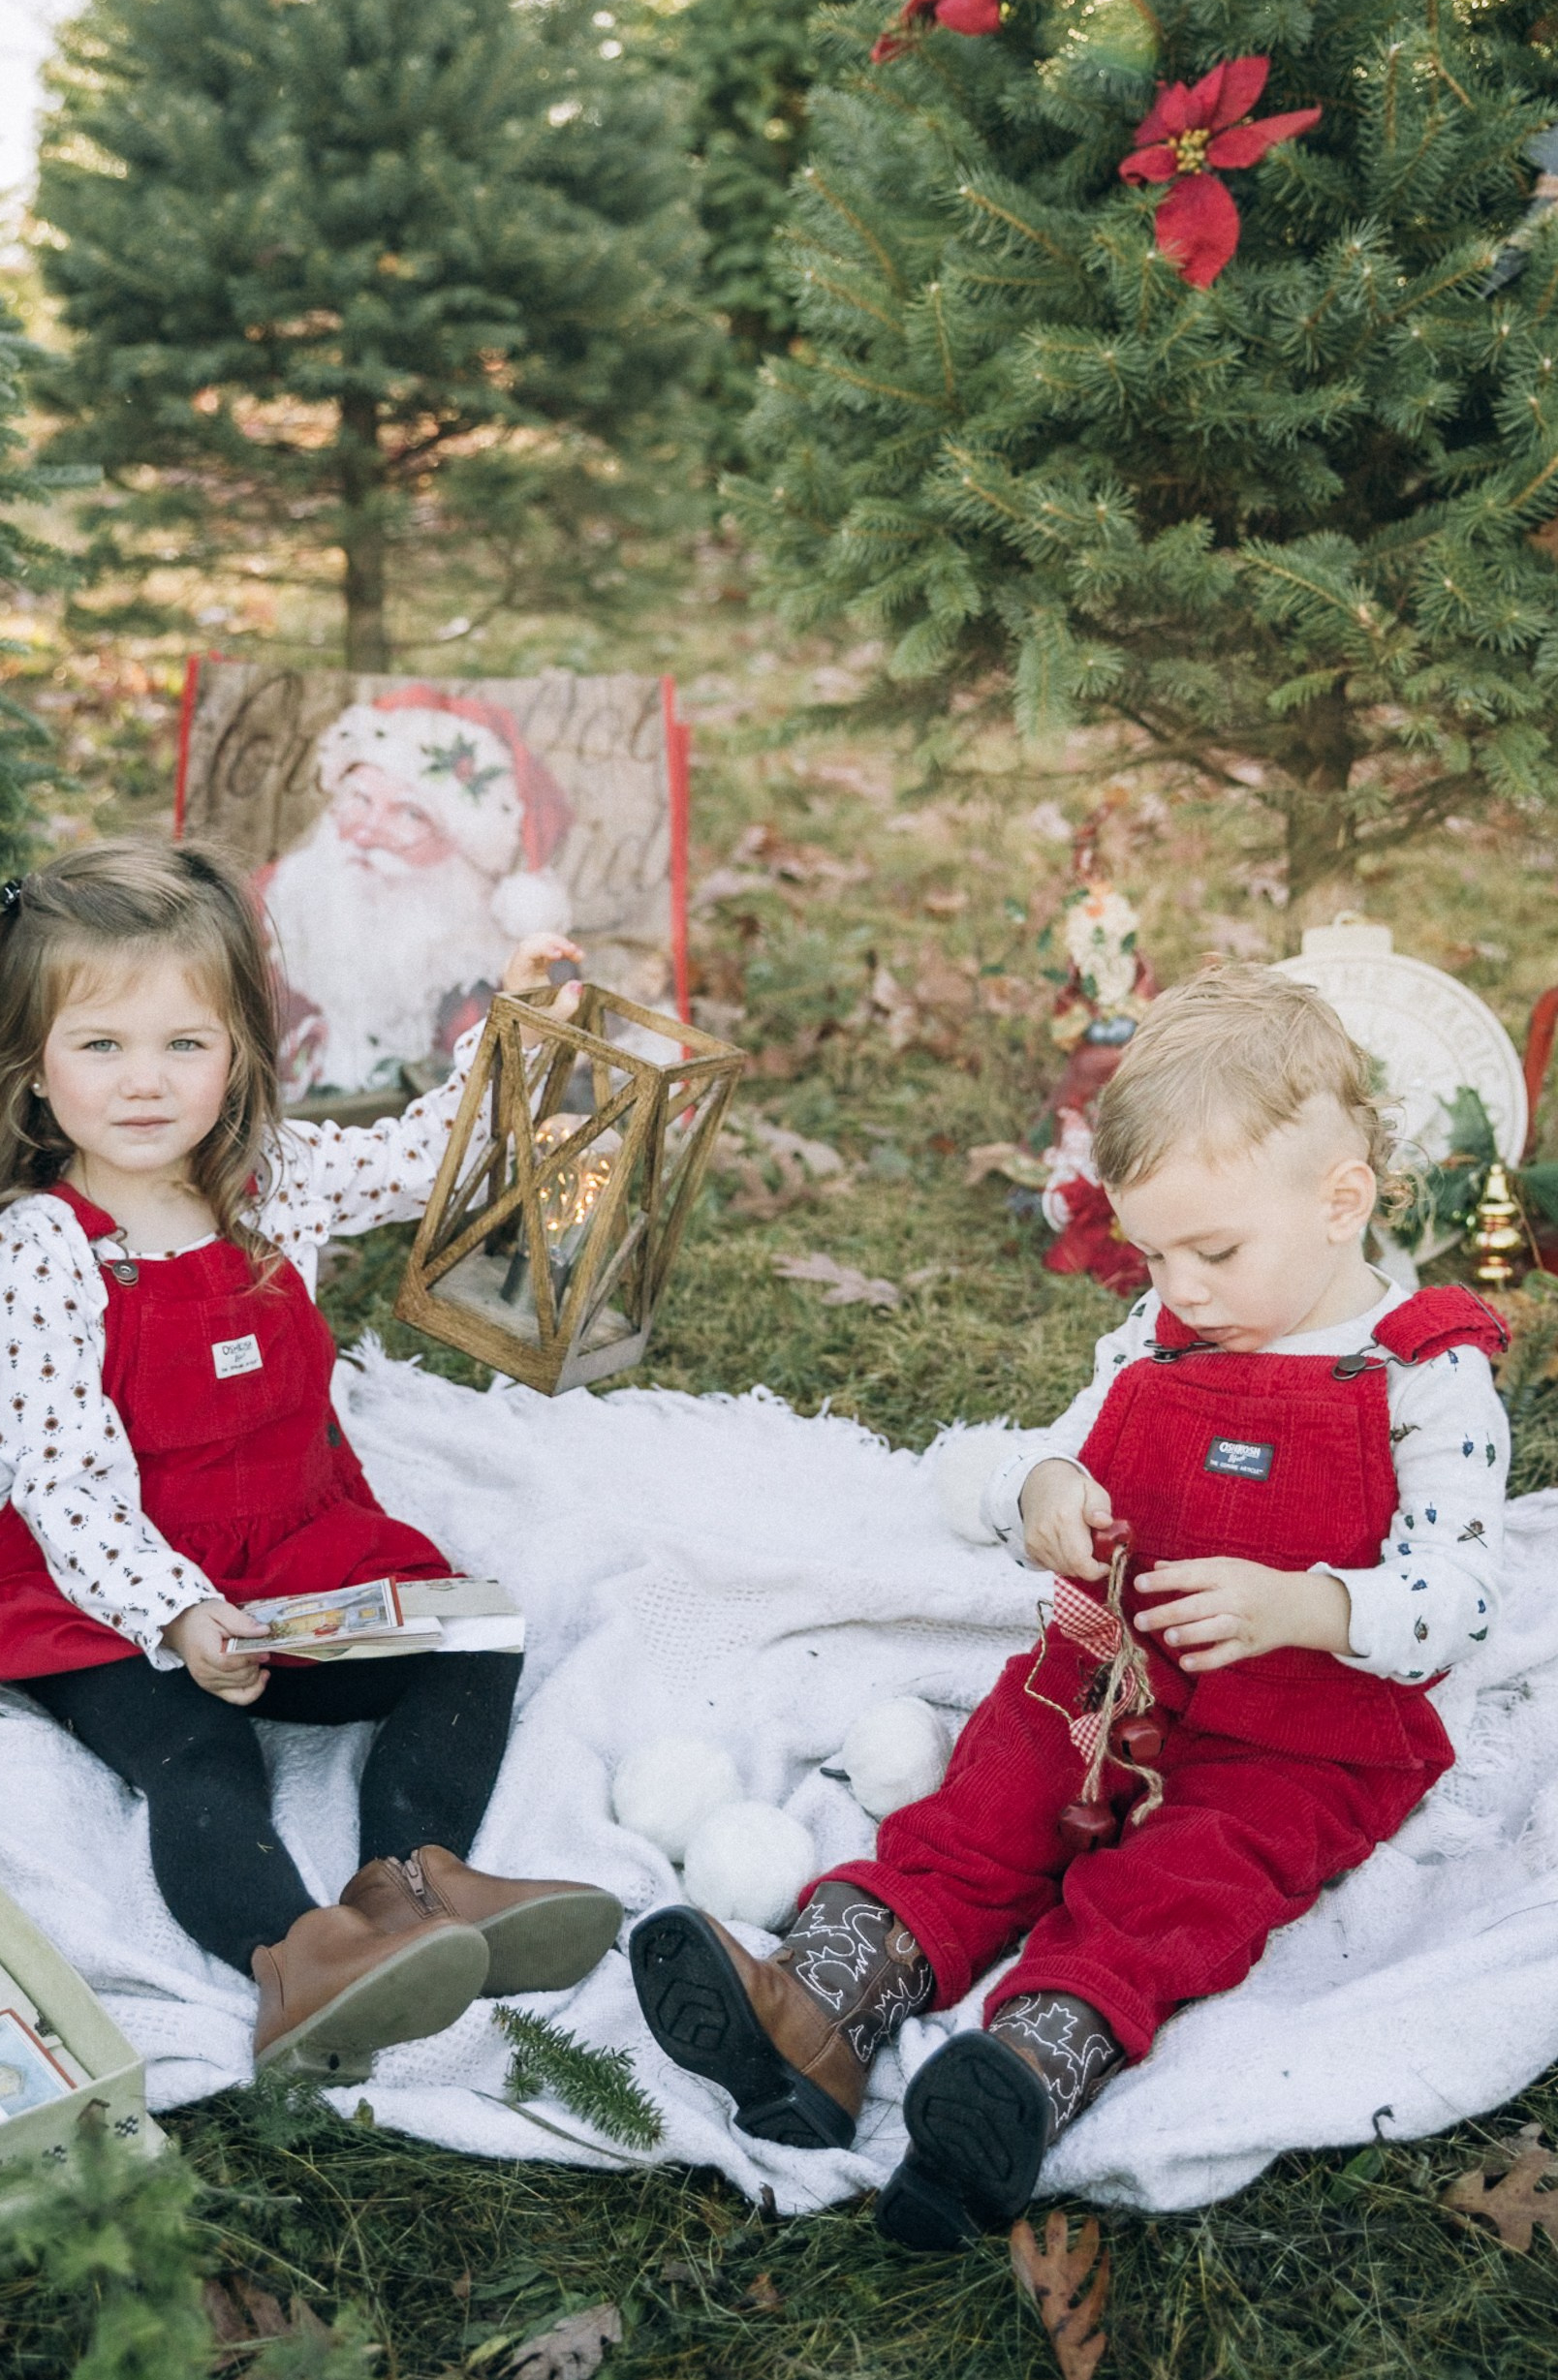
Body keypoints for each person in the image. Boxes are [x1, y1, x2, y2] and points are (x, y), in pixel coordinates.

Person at [630, 963, 1511, 2247]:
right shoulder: (1160, 1337)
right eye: (1156, 1253)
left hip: (1304, 1732)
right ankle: (825, 2005)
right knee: (988, 1795)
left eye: (1213, 1251)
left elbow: (1466, 1595)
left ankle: (1030, 2067)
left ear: (1341, 1202)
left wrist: (1312, 1606)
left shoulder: (1420, 1375)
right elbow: (1061, 1447)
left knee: (1191, 1876)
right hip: (1110, 1674)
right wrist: (1042, 1483)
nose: (1183, 1286)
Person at [0, 838, 618, 2083]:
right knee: (194, 1756)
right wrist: (176, 1611)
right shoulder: (48, 1252)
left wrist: (520, 1031)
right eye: (100, 1046)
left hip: (291, 1540)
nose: (144, 1083)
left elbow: (423, 1154)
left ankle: (410, 1890)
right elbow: (63, 1484)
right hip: (107, 1585)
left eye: (184, 1044)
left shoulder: (274, 1178)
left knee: (473, 1632)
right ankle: (298, 1965)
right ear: (33, 1073)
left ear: (238, 1054)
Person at [266, 689, 573, 1097]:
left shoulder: (496, 968)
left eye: (410, 814)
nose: (364, 832)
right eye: (359, 798)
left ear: (463, 845)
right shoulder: (272, 901)